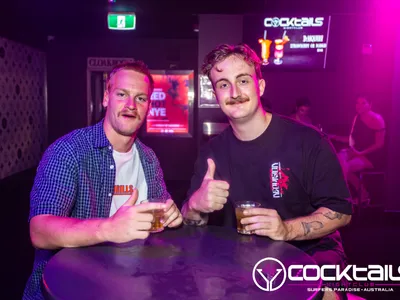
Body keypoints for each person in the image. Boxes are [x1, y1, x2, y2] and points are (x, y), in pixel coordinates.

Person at [181, 43, 352, 300]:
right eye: (223, 84)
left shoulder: (307, 141)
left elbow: (341, 212)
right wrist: (195, 205)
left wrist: (286, 230)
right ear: (215, 94)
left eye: (243, 80)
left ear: (259, 86)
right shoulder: (211, 152)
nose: (235, 92)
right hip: (242, 258)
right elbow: (189, 222)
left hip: (309, 251)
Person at [23, 61, 183, 300]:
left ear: (149, 106)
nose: (131, 105)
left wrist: (172, 215)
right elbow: (40, 231)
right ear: (106, 98)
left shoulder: (148, 158)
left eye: (141, 98)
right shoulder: (69, 151)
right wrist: (110, 228)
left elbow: (159, 215)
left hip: (130, 285)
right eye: (122, 94)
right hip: (67, 290)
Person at [330, 95, 386, 203]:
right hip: (356, 151)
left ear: (370, 105)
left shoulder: (378, 119)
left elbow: (380, 144)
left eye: (363, 103)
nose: (359, 106)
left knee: (345, 167)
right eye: (357, 103)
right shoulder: (356, 117)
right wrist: (334, 137)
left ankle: (344, 198)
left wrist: (361, 152)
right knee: (340, 159)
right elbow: (351, 140)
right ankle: (359, 196)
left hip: (371, 156)